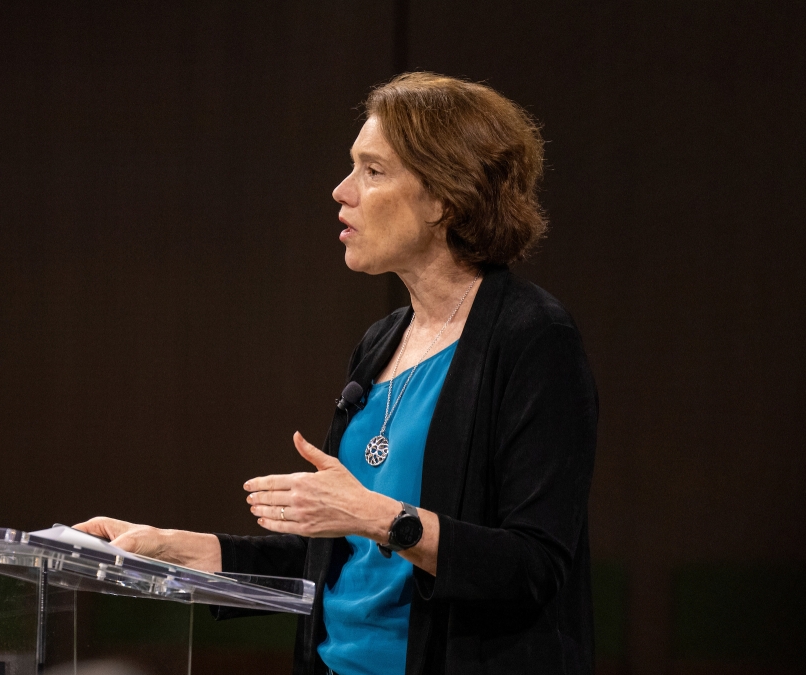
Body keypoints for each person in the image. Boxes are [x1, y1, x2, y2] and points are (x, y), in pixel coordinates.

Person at [76, 72, 597, 675]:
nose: (341, 191)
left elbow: (534, 567)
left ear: (444, 199)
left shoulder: (532, 338)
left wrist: (376, 515)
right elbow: (341, 556)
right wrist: (176, 550)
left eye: (372, 171)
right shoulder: (380, 343)